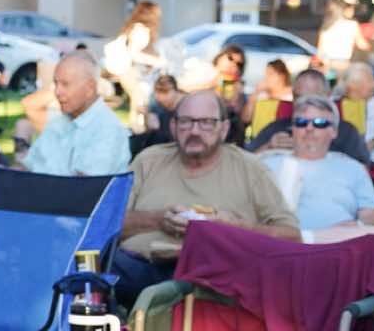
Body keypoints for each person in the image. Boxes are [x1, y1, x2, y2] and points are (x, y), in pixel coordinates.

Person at [111, 90, 301, 305]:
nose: (194, 131)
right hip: (140, 269)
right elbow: (104, 225)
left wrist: (234, 228)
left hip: (216, 278)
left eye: (206, 123)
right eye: (186, 122)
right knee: (98, 270)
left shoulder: (250, 169)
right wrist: (157, 219)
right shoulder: (149, 161)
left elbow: (292, 237)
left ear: (224, 128)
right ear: (173, 126)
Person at [256, 94, 374, 242]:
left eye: (319, 123)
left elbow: (373, 215)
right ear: (293, 129)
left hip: (336, 245)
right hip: (278, 244)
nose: (309, 128)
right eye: (301, 122)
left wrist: (357, 226)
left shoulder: (353, 168)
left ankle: (307, 238)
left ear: (334, 132)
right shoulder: (266, 164)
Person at [24, 51, 130, 177]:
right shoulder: (58, 122)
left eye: (65, 84)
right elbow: (28, 167)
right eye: (56, 83)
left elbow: (84, 186)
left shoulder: (108, 130)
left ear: (90, 87)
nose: (57, 92)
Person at [248, 67, 369, 165]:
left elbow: (362, 171)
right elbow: (245, 162)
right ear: (293, 96)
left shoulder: (346, 131)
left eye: (312, 98)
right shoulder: (277, 128)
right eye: (299, 97)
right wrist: (268, 147)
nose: (304, 104)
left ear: (327, 97)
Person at [102, 0, 165, 128]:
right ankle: (138, 129)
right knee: (140, 100)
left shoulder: (135, 27)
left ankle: (140, 128)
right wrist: (157, 62)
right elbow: (134, 53)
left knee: (141, 101)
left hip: (130, 72)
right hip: (129, 72)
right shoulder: (140, 29)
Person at [246, 58, 293, 140]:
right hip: (259, 139)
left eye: (271, 74)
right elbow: (246, 118)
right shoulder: (260, 95)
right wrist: (255, 93)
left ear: (282, 76)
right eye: (266, 74)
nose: (267, 78)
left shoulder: (292, 94)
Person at [316, 1, 365, 70]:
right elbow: (362, 45)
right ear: (343, 10)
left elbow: (320, 50)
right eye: (350, 9)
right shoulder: (352, 25)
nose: (353, 12)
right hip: (343, 63)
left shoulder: (327, 26)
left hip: (326, 63)